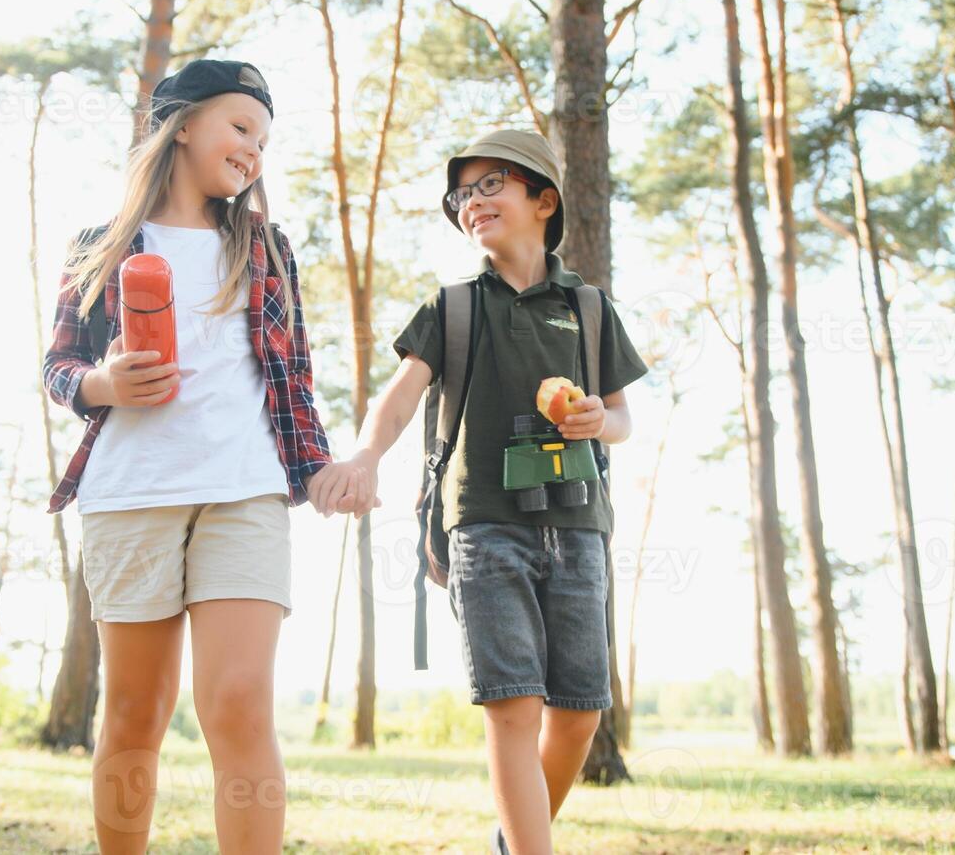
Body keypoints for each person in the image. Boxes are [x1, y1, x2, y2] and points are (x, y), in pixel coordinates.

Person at [41, 59, 363, 854]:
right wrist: (102, 382)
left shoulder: (266, 246)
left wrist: (316, 466)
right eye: (240, 127)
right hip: (131, 493)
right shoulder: (101, 245)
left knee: (241, 703)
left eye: (263, 138)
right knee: (134, 714)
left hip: (244, 493)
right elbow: (58, 367)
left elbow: (292, 376)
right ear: (181, 126)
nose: (254, 150)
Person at [316, 129, 649, 855]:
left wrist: (603, 420)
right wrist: (368, 456)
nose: (472, 202)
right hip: (483, 524)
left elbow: (621, 415)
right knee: (512, 706)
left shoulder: (590, 309)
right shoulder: (453, 308)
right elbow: (400, 398)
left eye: (490, 184)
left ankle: (510, 844)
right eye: (461, 195)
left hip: (580, 522)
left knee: (579, 714)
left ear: (544, 198)